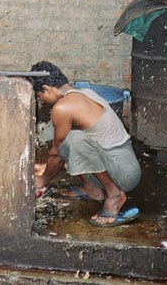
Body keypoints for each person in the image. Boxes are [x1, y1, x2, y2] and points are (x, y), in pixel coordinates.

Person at [30, 61, 141, 227]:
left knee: (73, 140)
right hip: (119, 162)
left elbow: (58, 151)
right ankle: (92, 189)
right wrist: (46, 166)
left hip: (124, 174)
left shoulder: (63, 107)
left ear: (46, 88)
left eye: (40, 96)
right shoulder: (84, 93)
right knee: (61, 133)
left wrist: (44, 179)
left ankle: (114, 194)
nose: (42, 102)